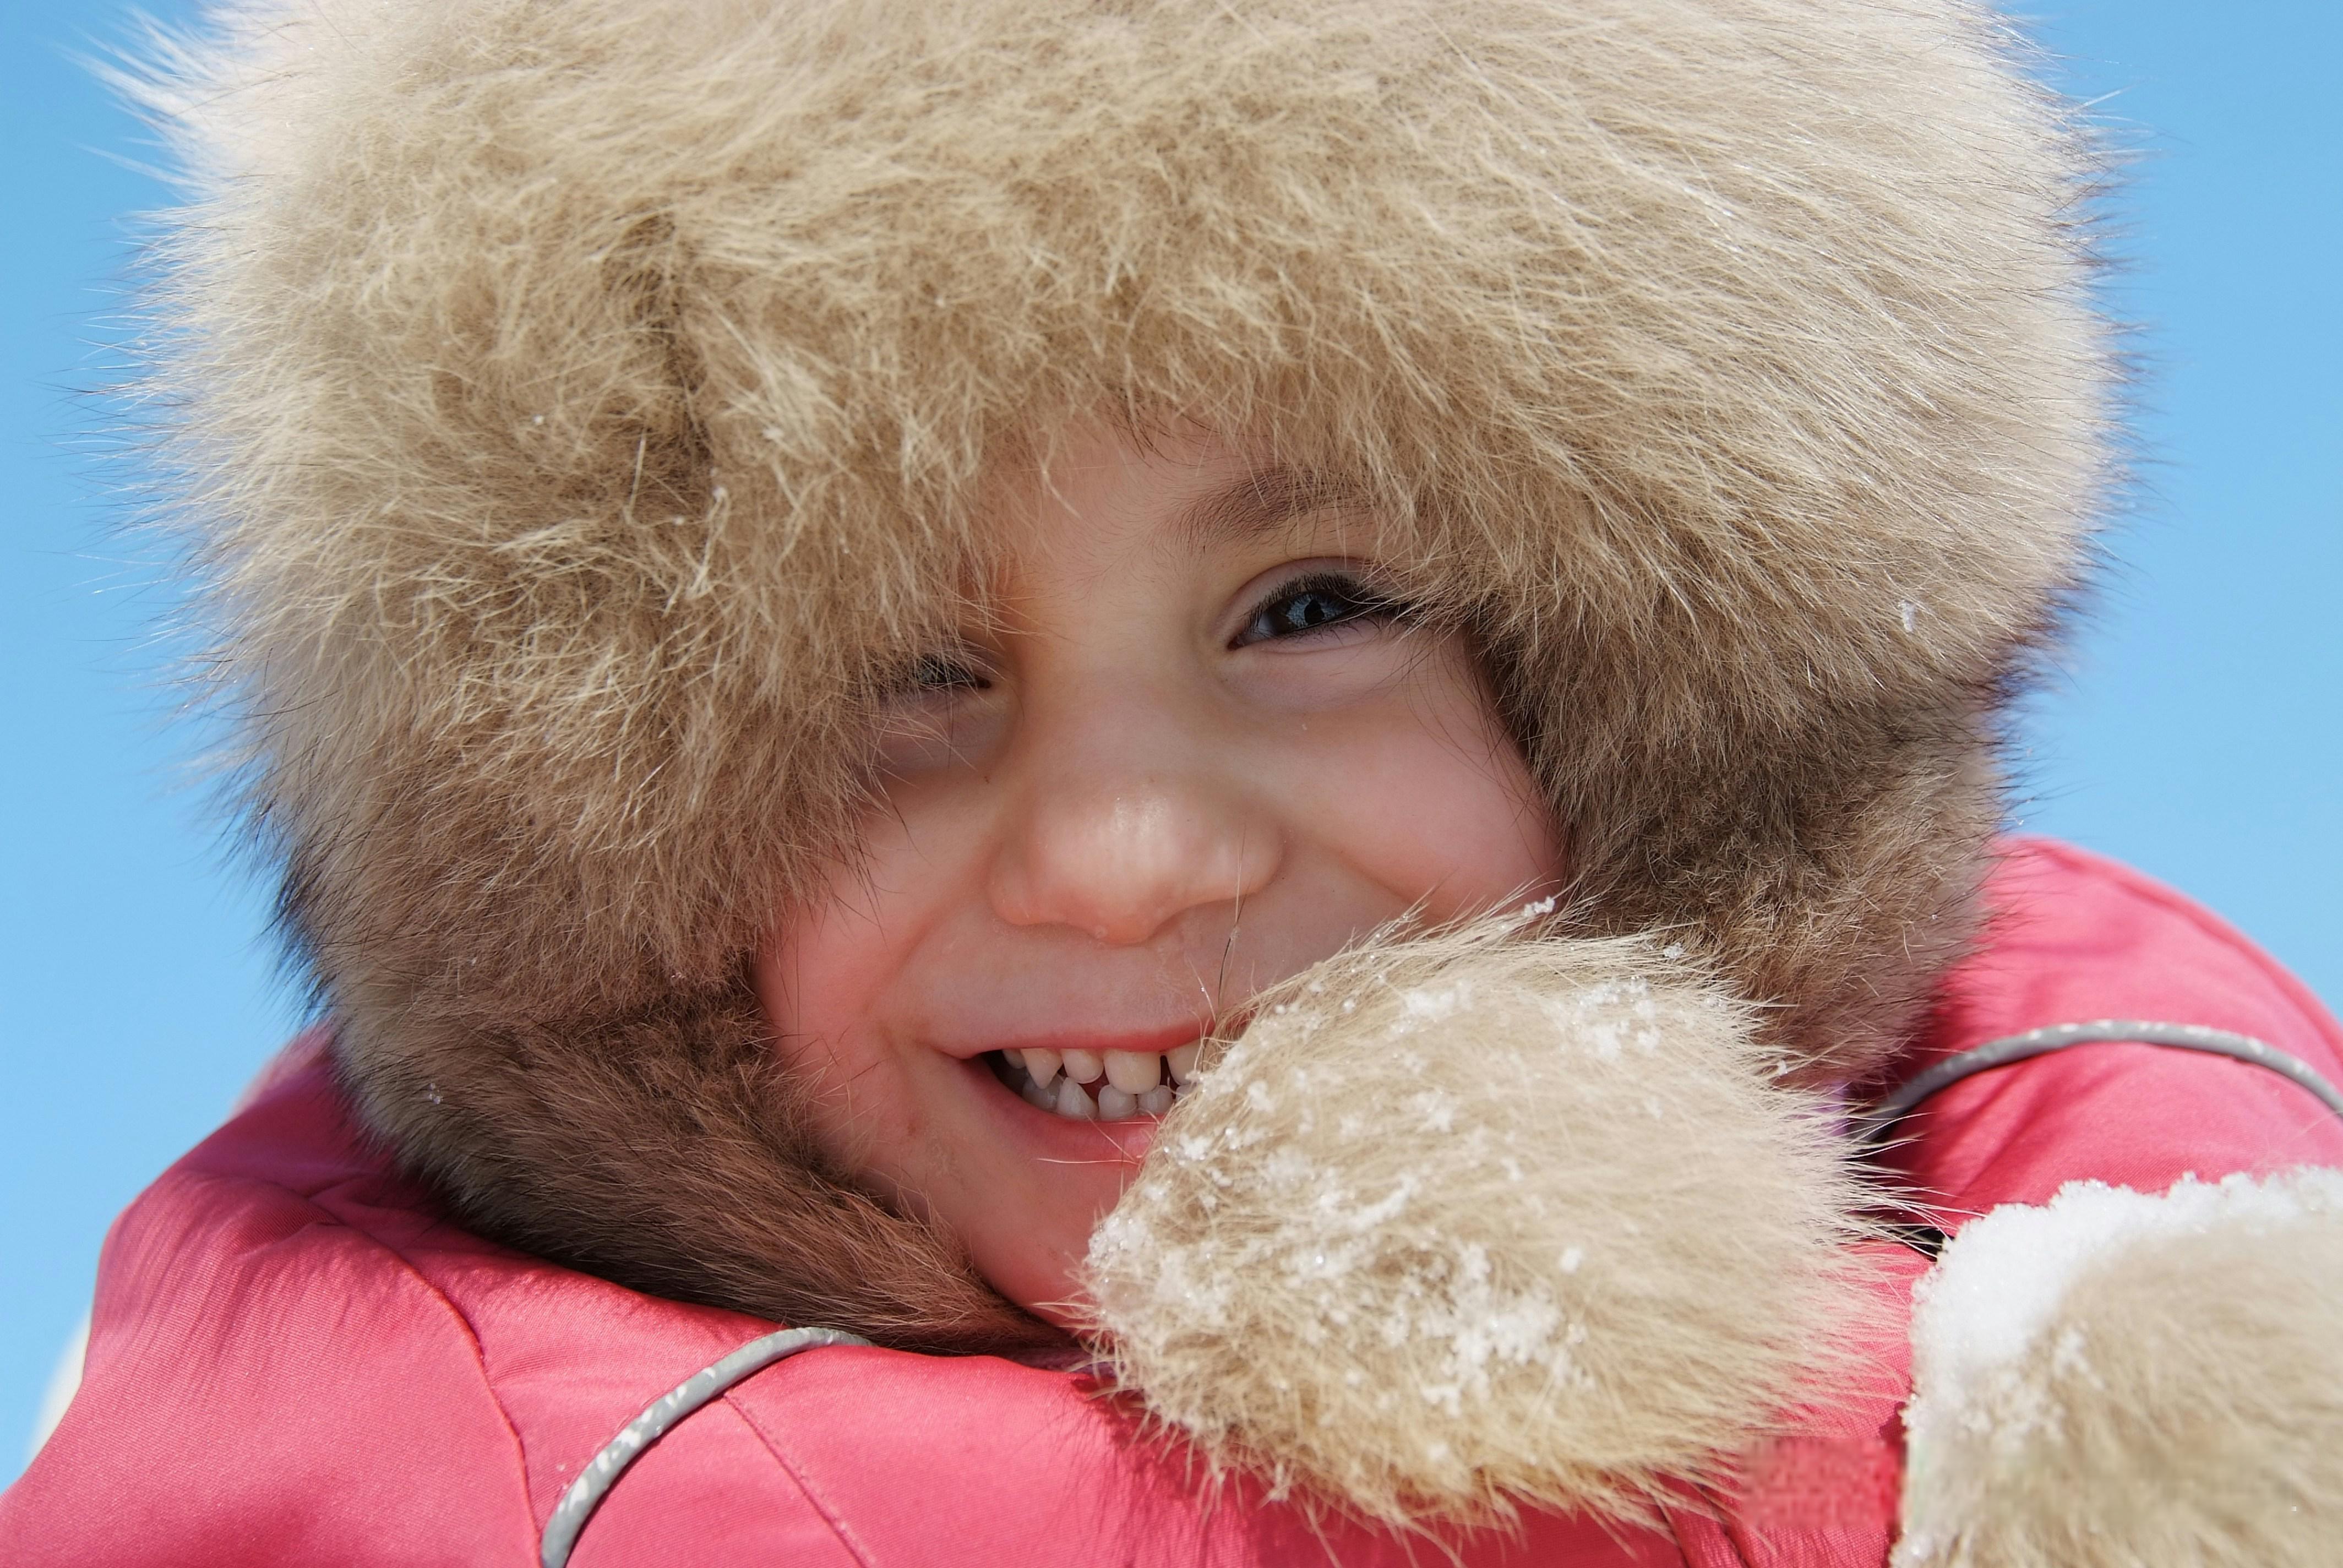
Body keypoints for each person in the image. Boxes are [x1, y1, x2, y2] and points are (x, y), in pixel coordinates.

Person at [6, 1, 2339, 1563]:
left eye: (1312, 606)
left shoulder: (2103, 1154)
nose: (1127, 854)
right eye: (905, 670)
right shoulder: (428, 1470)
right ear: (601, 850)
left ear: (1668, 712)